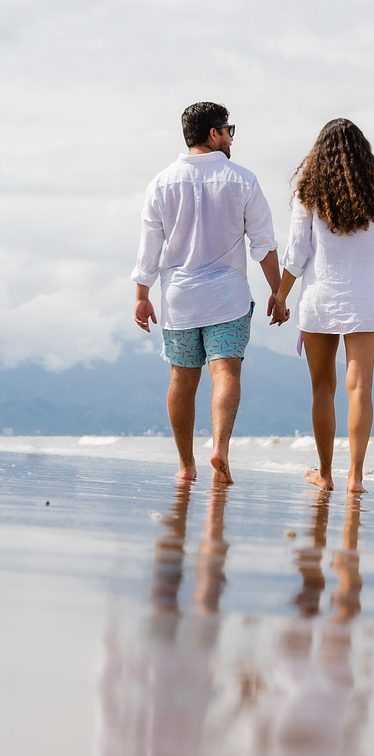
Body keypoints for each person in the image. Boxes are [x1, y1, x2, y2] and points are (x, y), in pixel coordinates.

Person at [131, 101, 284, 484]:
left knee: (182, 379)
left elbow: (150, 246)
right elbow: (263, 244)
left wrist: (141, 293)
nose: (231, 137)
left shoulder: (162, 182)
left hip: (180, 300)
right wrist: (278, 292)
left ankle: (185, 466)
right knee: (226, 371)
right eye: (228, 129)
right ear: (214, 134)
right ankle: (220, 448)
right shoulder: (243, 180)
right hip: (227, 298)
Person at [271, 118, 374, 493]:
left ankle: (326, 473)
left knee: (322, 389)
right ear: (364, 154)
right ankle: (356, 477)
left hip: (319, 299)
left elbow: (296, 255)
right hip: (366, 300)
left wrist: (281, 294)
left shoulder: (309, 193)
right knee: (360, 386)